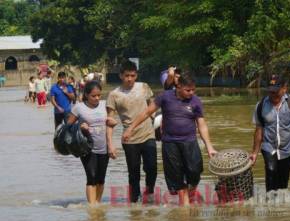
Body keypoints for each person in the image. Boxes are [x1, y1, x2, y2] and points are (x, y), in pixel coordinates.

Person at [123, 72, 217, 206]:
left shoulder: (196, 101)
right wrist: (130, 128)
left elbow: (202, 125)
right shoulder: (165, 97)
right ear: (178, 87)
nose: (191, 93)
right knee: (177, 176)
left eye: (193, 90)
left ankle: (192, 192)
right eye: (188, 90)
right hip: (170, 143)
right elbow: (147, 112)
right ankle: (184, 208)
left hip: (190, 142)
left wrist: (209, 147)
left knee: (195, 171)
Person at [106, 60, 157, 203]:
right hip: (129, 139)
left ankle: (149, 192)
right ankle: (134, 203)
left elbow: (152, 107)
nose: (130, 79)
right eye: (127, 75)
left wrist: (158, 121)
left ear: (136, 75)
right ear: (121, 75)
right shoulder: (114, 95)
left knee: (152, 167)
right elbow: (109, 121)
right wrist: (110, 144)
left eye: (133, 75)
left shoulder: (144, 87)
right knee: (134, 172)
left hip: (148, 134)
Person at [67, 80, 117, 205]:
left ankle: (97, 204)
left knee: (101, 179)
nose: (97, 98)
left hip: (103, 147)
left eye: (99, 95)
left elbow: (111, 123)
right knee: (92, 177)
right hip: (87, 148)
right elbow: (67, 127)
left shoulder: (105, 105)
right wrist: (80, 127)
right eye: (93, 96)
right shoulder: (78, 108)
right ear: (86, 95)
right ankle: (92, 208)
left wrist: (113, 123)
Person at [250, 75, 290, 193]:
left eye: (276, 91)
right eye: (271, 91)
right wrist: (254, 153)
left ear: (284, 89)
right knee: (271, 172)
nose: (273, 95)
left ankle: (280, 208)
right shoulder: (261, 106)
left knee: (283, 184)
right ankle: (270, 204)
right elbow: (258, 130)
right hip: (268, 147)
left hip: (288, 149)